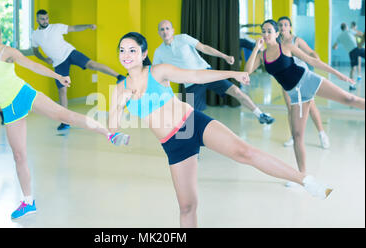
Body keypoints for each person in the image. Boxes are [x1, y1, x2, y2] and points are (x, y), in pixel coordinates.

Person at [111, 32, 333, 228]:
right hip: (173, 144)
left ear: (143, 53)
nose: (126, 54)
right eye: (122, 50)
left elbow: (196, 76)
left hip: (192, 123)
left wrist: (232, 74)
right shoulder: (120, 90)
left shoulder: (158, 72)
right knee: (187, 207)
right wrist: (117, 136)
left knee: (244, 153)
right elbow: (113, 127)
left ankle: (306, 181)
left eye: (132, 50)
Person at [0, 16, 130, 220]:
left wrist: (58, 76)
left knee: (64, 114)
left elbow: (33, 66)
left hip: (24, 94)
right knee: (19, 156)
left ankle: (109, 133)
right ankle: (28, 202)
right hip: (9, 108)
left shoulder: (7, 51)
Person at [245, 20, 364, 183]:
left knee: (349, 98)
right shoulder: (261, 55)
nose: (265, 34)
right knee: (297, 135)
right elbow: (246, 72)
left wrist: (339, 74)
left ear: (277, 33)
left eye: (269, 31)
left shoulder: (286, 47)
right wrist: (255, 49)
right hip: (295, 95)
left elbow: (313, 61)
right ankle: (303, 177)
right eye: (263, 31)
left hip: (308, 80)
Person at [152, 20, 275, 125]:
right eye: (162, 29)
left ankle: (260, 115)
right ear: (158, 33)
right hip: (190, 83)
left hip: (206, 73)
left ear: (172, 30)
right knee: (188, 117)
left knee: (236, 91)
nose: (165, 31)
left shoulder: (183, 38)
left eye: (167, 28)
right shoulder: (159, 52)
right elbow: (157, 74)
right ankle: (192, 146)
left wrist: (225, 57)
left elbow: (204, 48)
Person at [32, 9, 126, 131]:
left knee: (91, 64)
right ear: (37, 20)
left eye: (46, 18)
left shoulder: (56, 27)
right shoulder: (35, 35)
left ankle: (119, 77)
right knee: (62, 91)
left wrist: (88, 26)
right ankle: (65, 121)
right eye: (42, 19)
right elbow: (35, 51)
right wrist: (44, 59)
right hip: (58, 63)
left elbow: (74, 28)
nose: (45, 21)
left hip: (70, 53)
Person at [278, 16, 330, 150]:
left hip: (302, 77)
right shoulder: (277, 43)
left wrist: (317, 61)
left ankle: (322, 134)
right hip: (286, 79)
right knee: (290, 108)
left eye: (285, 24)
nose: (283, 27)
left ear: (290, 27)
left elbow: (311, 52)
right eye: (280, 25)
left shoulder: (297, 40)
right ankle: (294, 136)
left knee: (311, 107)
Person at [332, 23, 365, 89]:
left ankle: (351, 85)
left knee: (353, 68)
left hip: (351, 52)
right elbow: (360, 34)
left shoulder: (339, 36)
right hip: (357, 48)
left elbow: (334, 47)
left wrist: (336, 47)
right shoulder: (349, 31)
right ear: (346, 27)